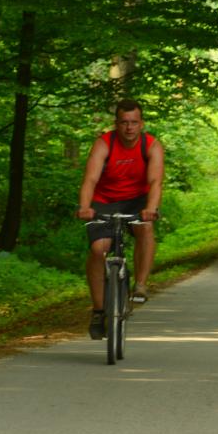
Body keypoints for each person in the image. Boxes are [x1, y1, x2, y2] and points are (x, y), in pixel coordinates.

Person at [77, 99, 164, 339]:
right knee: (99, 249)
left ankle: (141, 285)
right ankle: (98, 311)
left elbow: (155, 181)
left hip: (137, 200)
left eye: (134, 123)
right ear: (116, 124)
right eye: (124, 122)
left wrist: (151, 208)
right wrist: (84, 207)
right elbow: (90, 179)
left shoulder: (151, 145)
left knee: (145, 228)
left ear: (141, 124)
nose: (129, 128)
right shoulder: (104, 144)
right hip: (104, 200)